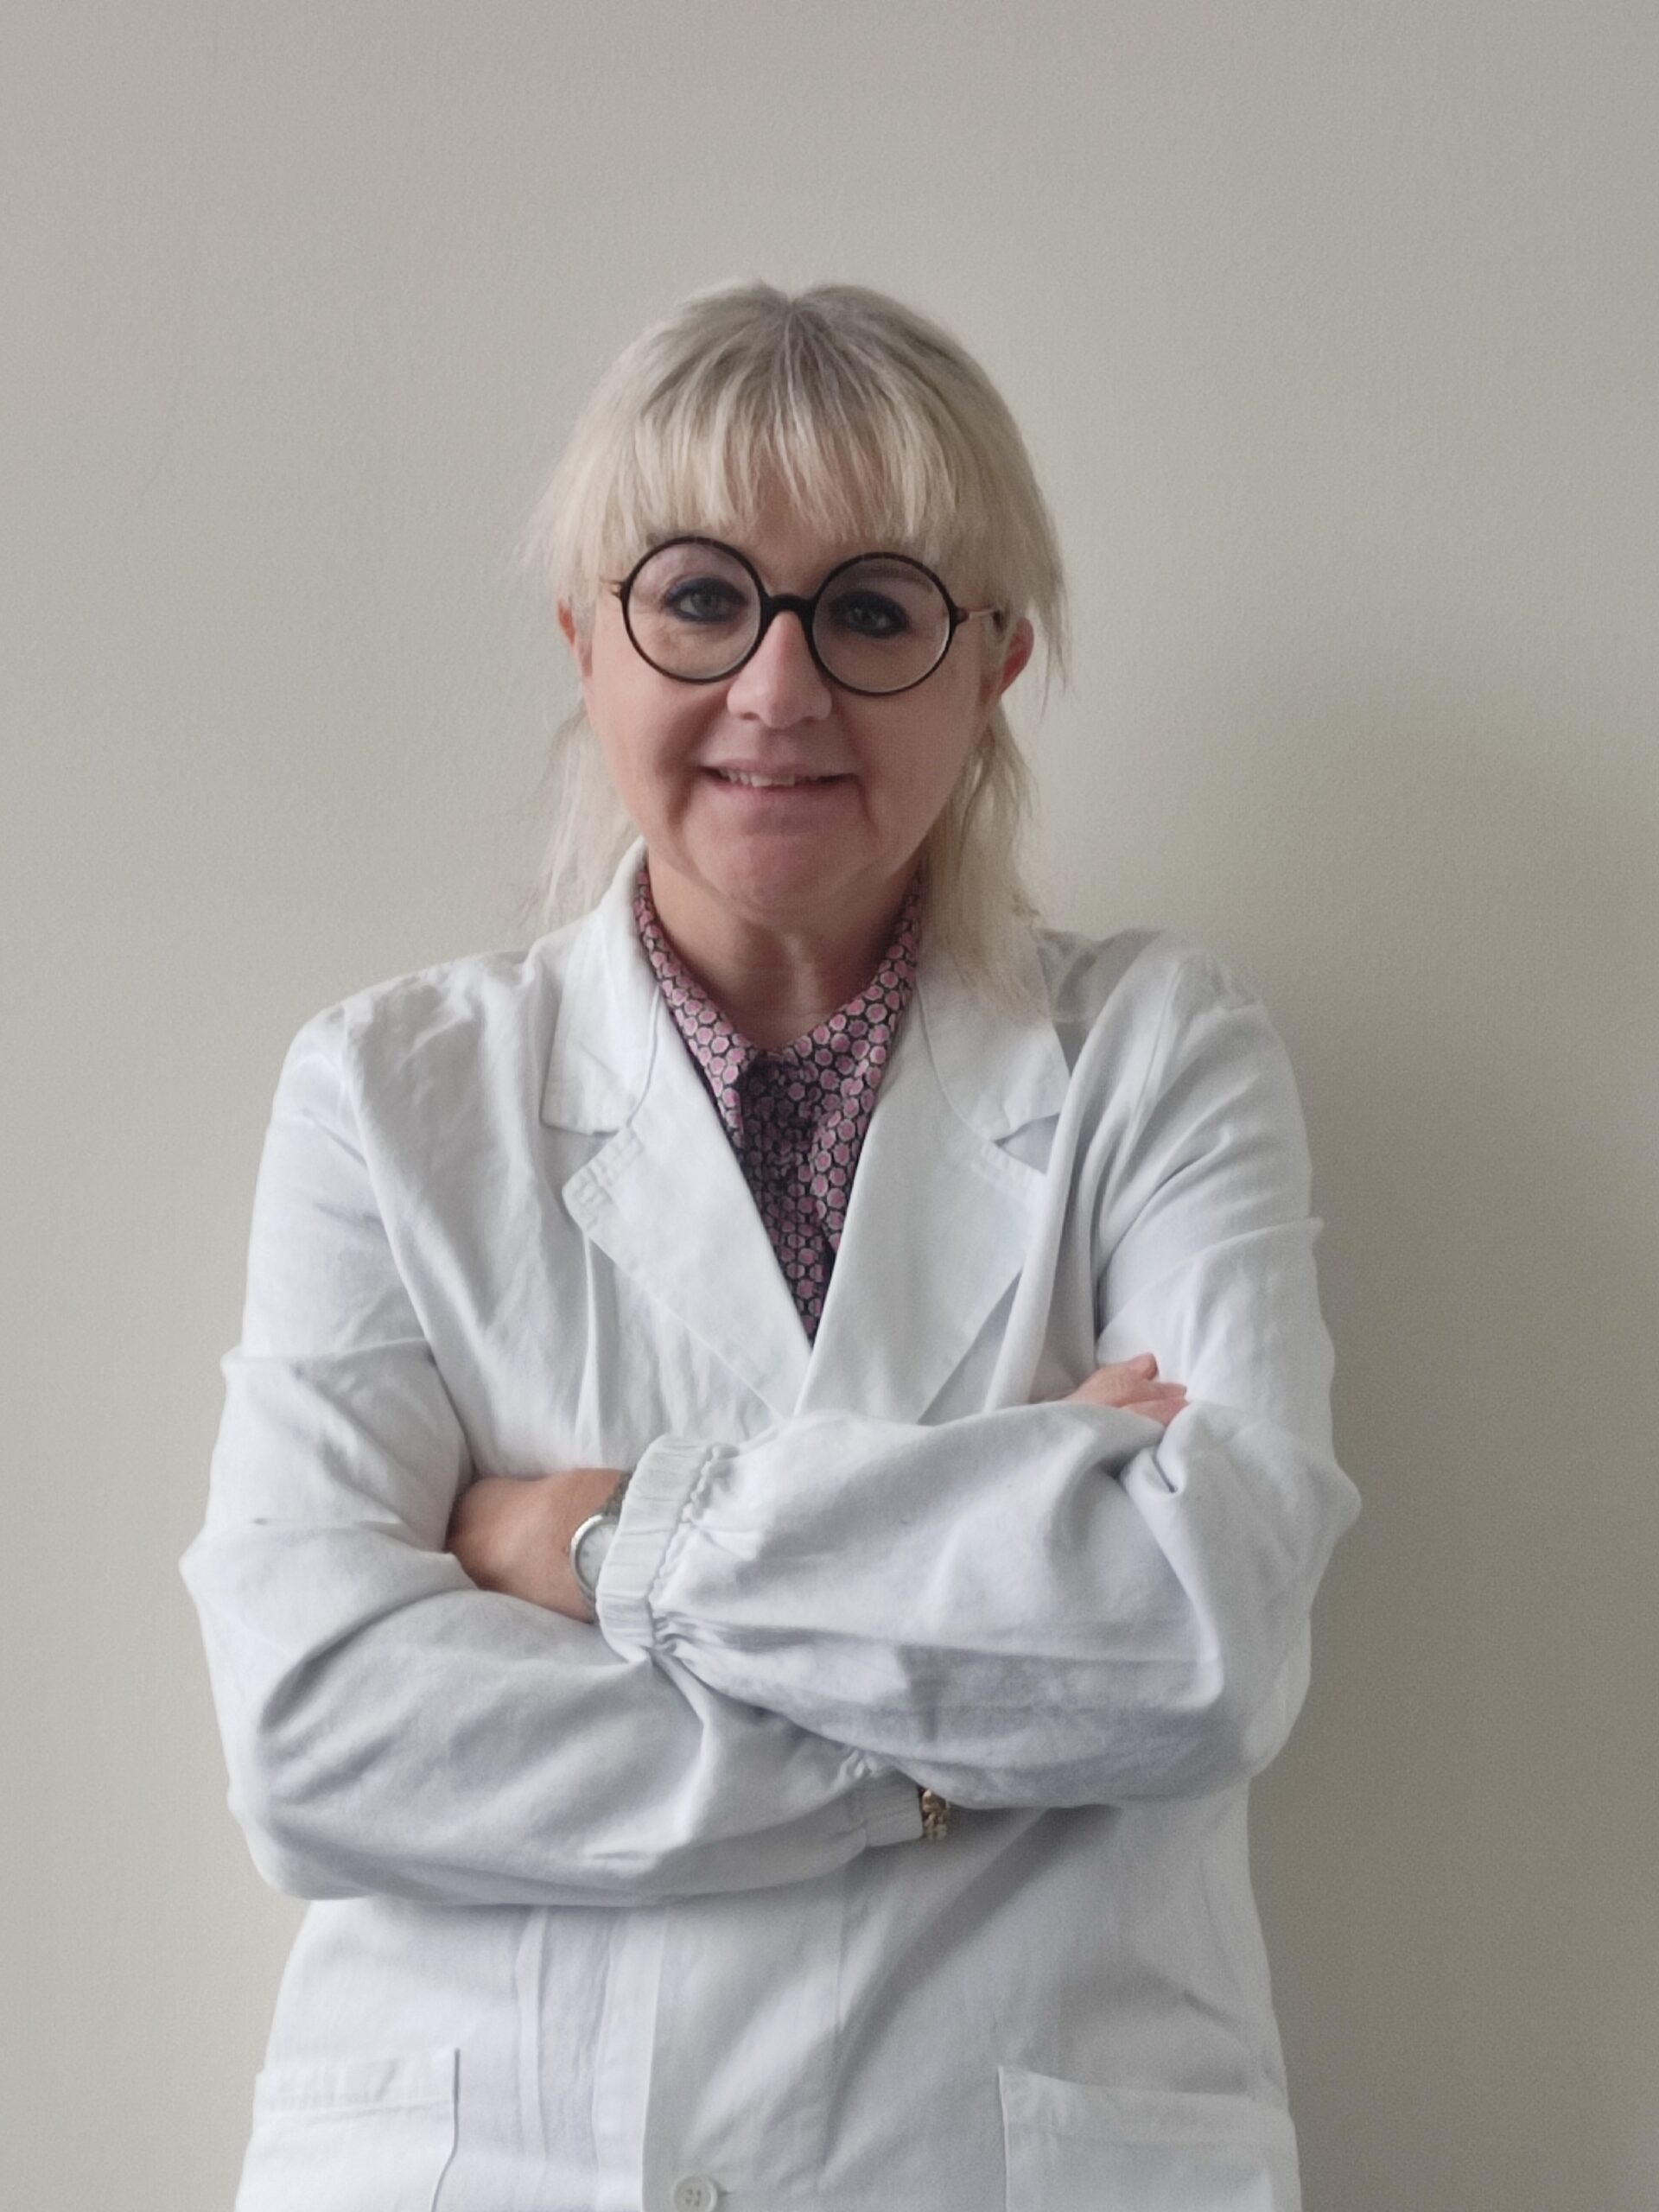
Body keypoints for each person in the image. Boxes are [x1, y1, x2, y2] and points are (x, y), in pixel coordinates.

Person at [181, 278, 1359, 2212]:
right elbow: (317, 1739)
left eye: (873, 611)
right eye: (702, 599)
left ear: (995, 661)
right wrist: (938, 1757)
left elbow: (1197, 1642)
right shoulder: (386, 1096)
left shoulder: (1159, 1055)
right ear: (588, 640)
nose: (780, 689)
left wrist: (596, 1539)